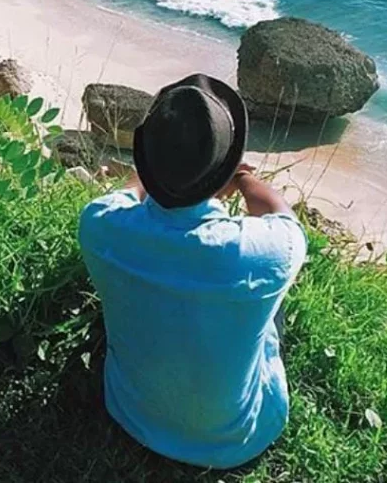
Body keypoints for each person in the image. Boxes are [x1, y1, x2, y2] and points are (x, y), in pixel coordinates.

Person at [78, 74, 307, 469]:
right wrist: (243, 175)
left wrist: (151, 172)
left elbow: (130, 192)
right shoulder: (262, 254)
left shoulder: (100, 225)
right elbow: (282, 216)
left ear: (145, 161)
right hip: (238, 438)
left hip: (130, 412)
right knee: (272, 304)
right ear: (223, 173)